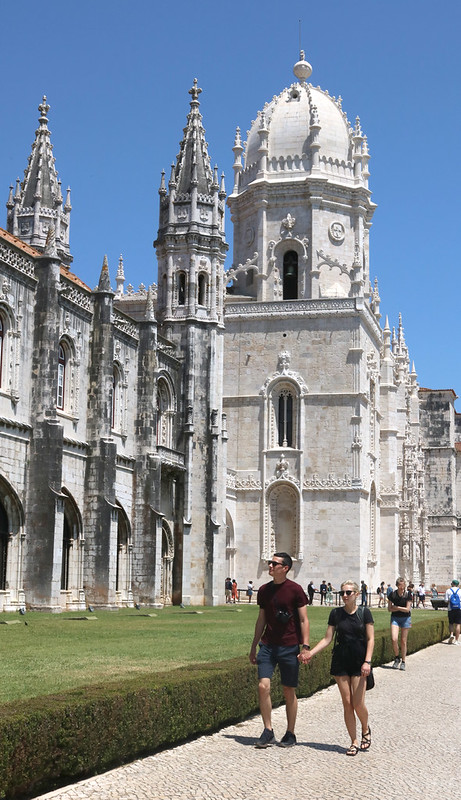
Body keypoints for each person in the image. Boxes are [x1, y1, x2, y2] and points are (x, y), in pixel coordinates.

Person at [306, 580, 374, 756]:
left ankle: (365, 728)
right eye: (342, 592)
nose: (344, 595)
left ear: (356, 594)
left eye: (348, 592)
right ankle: (353, 741)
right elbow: (327, 638)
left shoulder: (364, 613)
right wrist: (311, 653)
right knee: (347, 703)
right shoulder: (335, 614)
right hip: (341, 660)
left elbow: (370, 639)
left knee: (358, 703)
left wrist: (367, 661)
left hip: (359, 661)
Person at [249, 552, 310, 748]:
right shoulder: (264, 590)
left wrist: (305, 646)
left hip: (289, 645)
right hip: (267, 645)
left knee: (288, 690)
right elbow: (261, 619)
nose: (270, 566)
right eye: (270, 562)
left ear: (285, 568)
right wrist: (253, 647)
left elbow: (303, 619)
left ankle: (290, 732)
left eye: (274, 563)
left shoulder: (295, 590)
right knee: (262, 686)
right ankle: (268, 730)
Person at [388, 577, 412, 670]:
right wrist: (397, 608)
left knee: (403, 641)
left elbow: (407, 609)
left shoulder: (408, 594)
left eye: (403, 585)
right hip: (395, 618)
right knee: (394, 639)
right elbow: (389, 609)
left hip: (406, 619)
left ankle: (404, 661)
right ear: (397, 585)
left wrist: (397, 607)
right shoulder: (392, 595)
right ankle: (397, 657)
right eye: (400, 586)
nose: (402, 587)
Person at [445, 579, 461, 644]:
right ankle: (456, 640)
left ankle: (451, 634)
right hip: (459, 608)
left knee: (451, 623)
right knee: (458, 624)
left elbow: (446, 600)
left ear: (452, 584)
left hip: (450, 608)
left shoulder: (448, 590)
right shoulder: (460, 591)